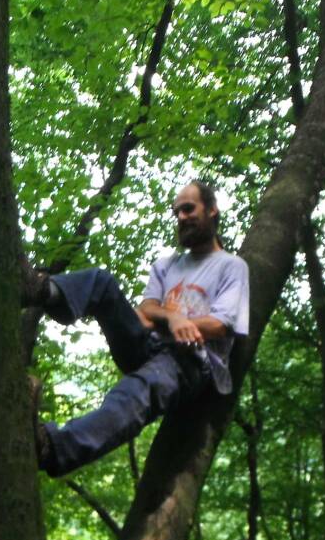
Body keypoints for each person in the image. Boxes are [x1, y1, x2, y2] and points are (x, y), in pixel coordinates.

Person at [21, 179, 250, 477]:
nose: (181, 217)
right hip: (148, 345)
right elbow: (145, 312)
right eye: (177, 212)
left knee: (133, 394)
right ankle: (41, 290)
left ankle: (52, 446)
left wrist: (173, 319)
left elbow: (221, 325)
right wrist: (174, 318)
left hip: (190, 361)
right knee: (101, 283)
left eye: (188, 209)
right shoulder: (167, 265)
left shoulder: (231, 266)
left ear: (212, 211)